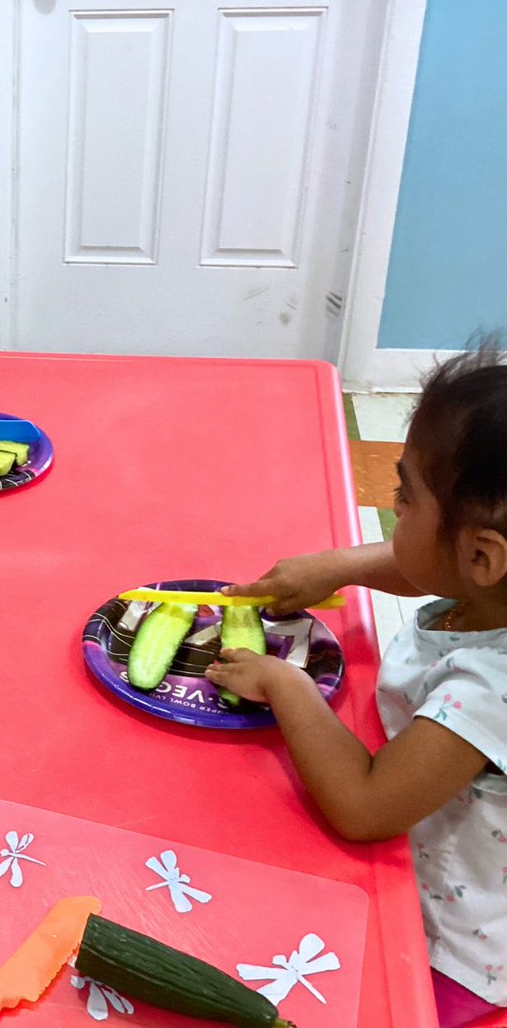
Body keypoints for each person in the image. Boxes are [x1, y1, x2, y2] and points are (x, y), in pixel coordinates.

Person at [206, 345, 507, 1028]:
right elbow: (434, 564)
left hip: (446, 948)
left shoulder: (491, 689)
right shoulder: (490, 589)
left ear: (484, 555)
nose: (392, 507)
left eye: (405, 497)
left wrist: (285, 684)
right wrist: (340, 565)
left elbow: (365, 805)